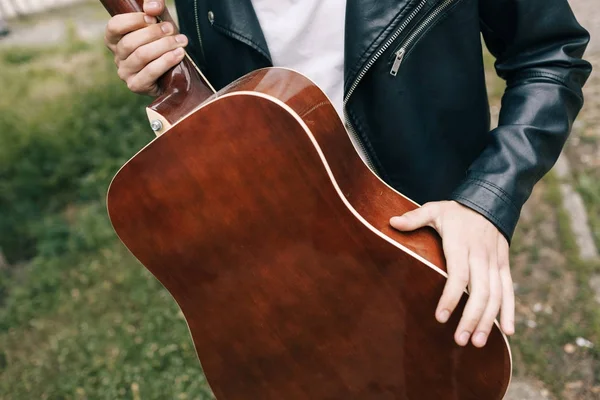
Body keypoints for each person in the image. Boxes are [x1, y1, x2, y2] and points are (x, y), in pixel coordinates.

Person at [104, 0, 592, 349]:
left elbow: (548, 55)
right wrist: (170, 81)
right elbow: (226, 111)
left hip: (426, 237)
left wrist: (487, 199)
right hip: (284, 254)